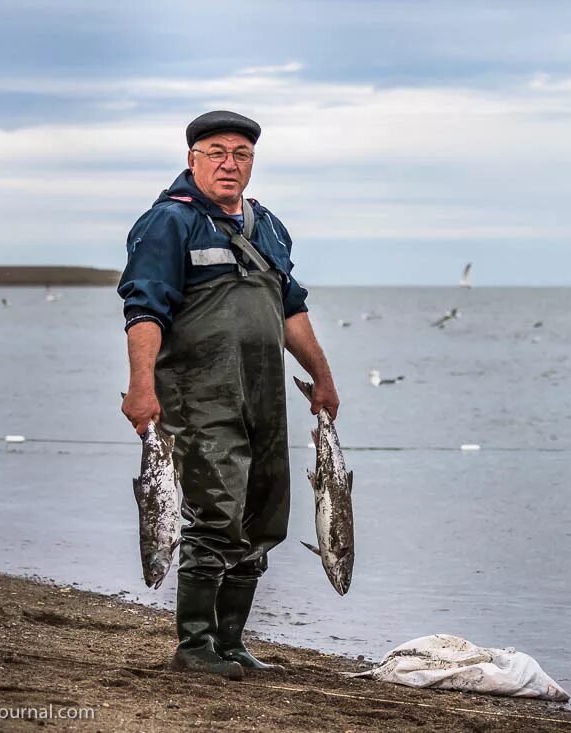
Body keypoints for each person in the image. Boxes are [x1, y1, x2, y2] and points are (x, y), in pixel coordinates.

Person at [118, 110, 339, 679]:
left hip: (264, 395)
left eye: (240, 154)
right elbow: (143, 308)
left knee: (263, 518)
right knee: (216, 516)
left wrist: (322, 374)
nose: (229, 163)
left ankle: (231, 643)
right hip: (198, 394)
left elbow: (291, 308)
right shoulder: (168, 223)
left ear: (252, 164)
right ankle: (193, 647)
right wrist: (142, 383)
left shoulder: (267, 224)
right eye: (216, 152)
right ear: (192, 158)